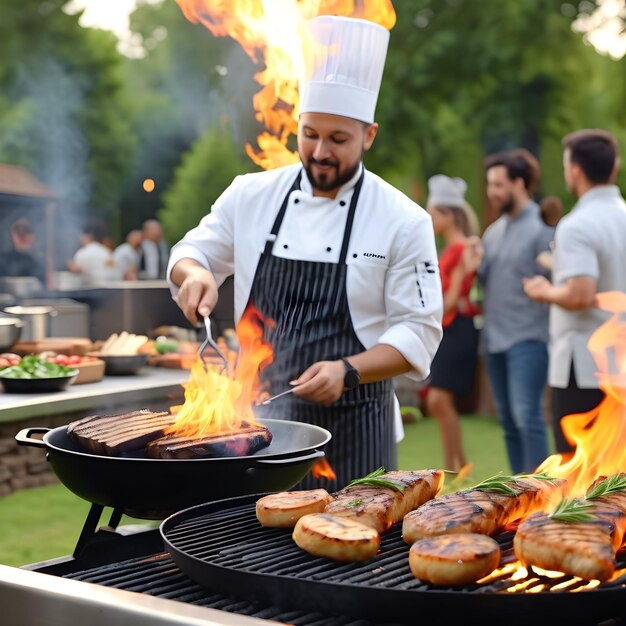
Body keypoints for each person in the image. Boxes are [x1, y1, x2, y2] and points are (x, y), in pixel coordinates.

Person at [167, 15, 443, 490]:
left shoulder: (403, 219)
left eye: (338, 140)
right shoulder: (251, 195)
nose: (319, 152)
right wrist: (194, 274)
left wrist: (348, 370)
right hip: (261, 427)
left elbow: (419, 332)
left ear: (368, 136)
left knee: (350, 552)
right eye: (310, 134)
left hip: (357, 428)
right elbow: (193, 252)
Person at [523, 129, 626, 454]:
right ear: (615, 166)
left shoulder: (577, 224)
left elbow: (580, 294)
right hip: (620, 364)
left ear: (576, 170)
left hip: (583, 366)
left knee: (578, 480)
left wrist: (544, 291)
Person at [478, 149, 555, 474]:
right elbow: (486, 282)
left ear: (519, 183)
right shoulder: (492, 232)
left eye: (498, 184)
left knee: (528, 417)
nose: (491, 192)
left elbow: (556, 274)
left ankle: (543, 496)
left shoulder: (542, 228)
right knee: (509, 422)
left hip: (529, 339)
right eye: (490, 184)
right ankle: (518, 496)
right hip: (494, 339)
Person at [424, 175, 483, 472]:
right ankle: (458, 464)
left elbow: (451, 299)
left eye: (433, 213)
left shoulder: (460, 249)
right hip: (449, 325)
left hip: (456, 326)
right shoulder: (451, 249)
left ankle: (454, 467)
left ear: (447, 214)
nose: (430, 219)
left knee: (438, 399)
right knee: (438, 401)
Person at [68, 219, 122, 285]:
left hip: (90, 292)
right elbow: (115, 274)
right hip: (109, 291)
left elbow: (78, 276)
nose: (80, 238)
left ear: (89, 236)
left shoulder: (82, 253)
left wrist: (74, 269)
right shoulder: (106, 252)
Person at [0, 217, 46, 284]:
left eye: (27, 232)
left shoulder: (38, 261)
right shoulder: (4, 260)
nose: (22, 237)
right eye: (19, 232)